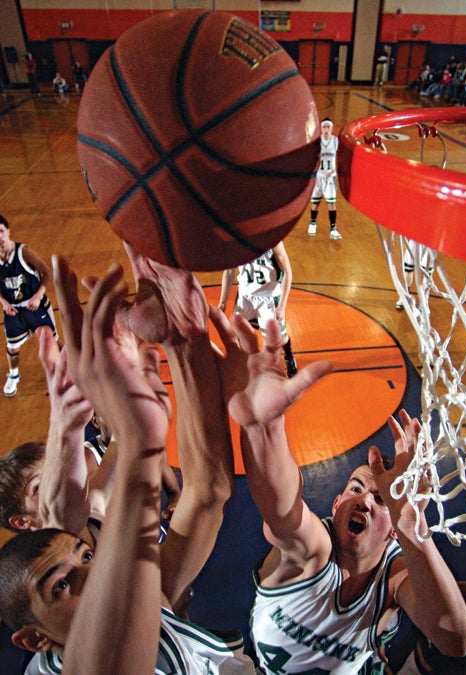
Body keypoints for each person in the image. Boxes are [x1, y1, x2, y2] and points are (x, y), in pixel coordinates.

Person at [0, 254, 256, 673]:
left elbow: (208, 491)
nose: (95, 573)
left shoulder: (114, 565)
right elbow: (60, 515)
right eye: (61, 585)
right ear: (34, 639)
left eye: (86, 558)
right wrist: (68, 425)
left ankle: (184, 629)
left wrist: (182, 337)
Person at [209, 311, 466, 673]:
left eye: (382, 500)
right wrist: (264, 429)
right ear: (336, 505)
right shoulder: (314, 550)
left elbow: (455, 640)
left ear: (394, 530)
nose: (365, 499)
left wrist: (412, 523)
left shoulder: (395, 573)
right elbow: (282, 509)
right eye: (356, 487)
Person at [218, 241, 297, 378]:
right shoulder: (235, 240)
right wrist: (222, 303)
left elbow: (287, 271)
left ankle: (289, 355)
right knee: (240, 333)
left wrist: (282, 306)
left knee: (277, 338)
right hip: (245, 297)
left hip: (269, 298)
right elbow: (229, 270)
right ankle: (246, 363)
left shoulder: (273, 241)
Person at [0, 215, 60, 397]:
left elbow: (47, 272)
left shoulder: (23, 252)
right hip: (14, 309)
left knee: (50, 342)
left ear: (8, 231)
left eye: (1, 232)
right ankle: (14, 375)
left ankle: (63, 373)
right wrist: (4, 303)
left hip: (34, 305)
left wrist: (38, 295)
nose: (0, 238)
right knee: (12, 348)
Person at [308, 118, 342, 240]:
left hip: (330, 176)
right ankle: (312, 224)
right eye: (324, 127)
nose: (326, 129)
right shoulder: (317, 142)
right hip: (318, 176)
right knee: (315, 203)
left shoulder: (335, 141)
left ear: (332, 129)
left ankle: (333, 229)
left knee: (331, 204)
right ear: (321, 129)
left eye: (328, 127)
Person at [395, 241, 435, 310]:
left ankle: (424, 302)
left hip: (431, 242)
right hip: (415, 240)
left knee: (428, 274)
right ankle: (404, 296)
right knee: (408, 269)